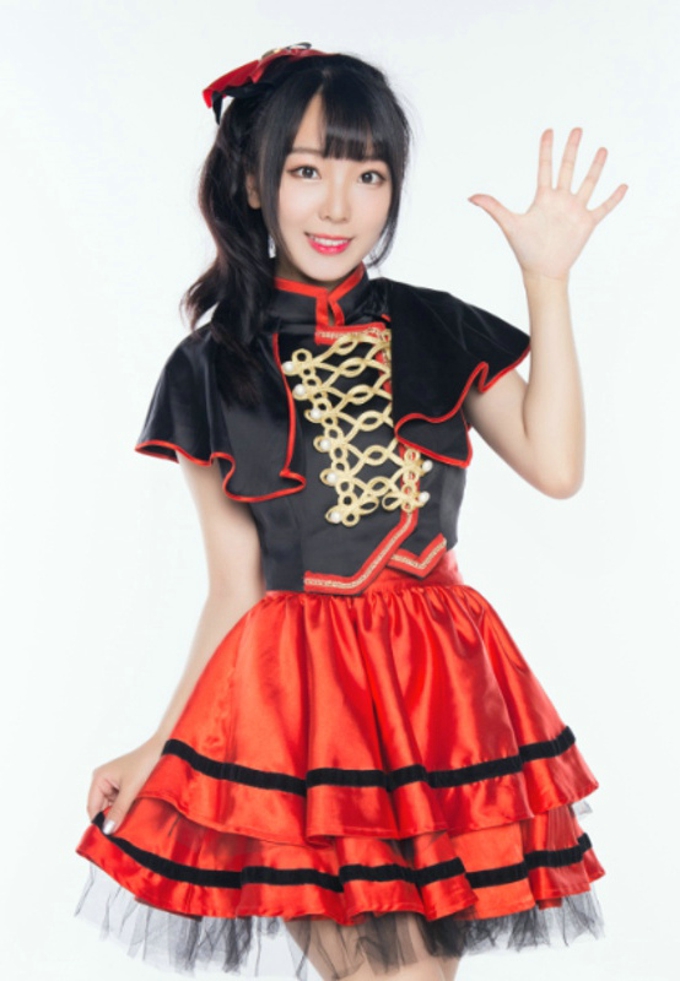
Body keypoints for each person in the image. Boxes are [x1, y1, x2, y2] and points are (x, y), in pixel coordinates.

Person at [74, 43, 627, 981]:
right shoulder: (212, 365)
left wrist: (549, 281)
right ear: (255, 184)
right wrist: (162, 744)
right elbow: (235, 589)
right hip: (308, 708)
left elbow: (557, 463)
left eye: (368, 174)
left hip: (442, 692)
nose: (338, 206)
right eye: (307, 171)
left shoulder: (437, 324)